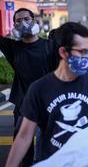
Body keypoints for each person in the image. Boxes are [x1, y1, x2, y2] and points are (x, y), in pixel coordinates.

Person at [5, 22, 88, 167]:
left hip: (86, 161)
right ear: (63, 52)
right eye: (82, 52)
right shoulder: (39, 89)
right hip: (51, 161)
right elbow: (24, 136)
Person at [0, 8, 58, 166]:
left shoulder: (51, 46)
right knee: (22, 149)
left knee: (47, 147)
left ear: (35, 21)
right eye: (17, 21)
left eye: (26, 19)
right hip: (23, 105)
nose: (22, 23)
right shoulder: (13, 47)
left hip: (49, 104)